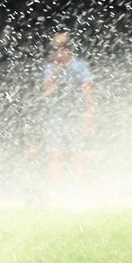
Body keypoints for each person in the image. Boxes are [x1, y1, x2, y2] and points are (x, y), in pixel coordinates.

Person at [41, 32, 95, 182]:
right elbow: (47, 90)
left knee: (76, 152)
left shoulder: (80, 66)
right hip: (55, 115)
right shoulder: (50, 68)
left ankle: (77, 184)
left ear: (69, 48)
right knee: (54, 152)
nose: (61, 51)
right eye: (57, 48)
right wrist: (56, 70)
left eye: (64, 47)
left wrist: (89, 115)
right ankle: (55, 185)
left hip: (75, 114)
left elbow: (88, 90)